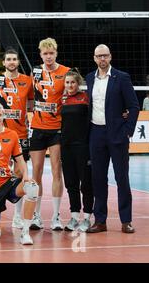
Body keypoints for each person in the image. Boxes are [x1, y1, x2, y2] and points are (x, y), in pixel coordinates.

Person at [86, 44, 140, 234]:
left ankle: (126, 221)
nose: (102, 59)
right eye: (99, 56)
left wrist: (128, 130)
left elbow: (133, 106)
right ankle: (100, 221)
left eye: (105, 56)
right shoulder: (89, 78)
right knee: (98, 179)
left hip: (117, 135)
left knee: (121, 178)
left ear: (110, 57)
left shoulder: (122, 77)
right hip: (96, 134)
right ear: (94, 58)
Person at [0, 103, 39, 245]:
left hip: (6, 182)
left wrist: (25, 176)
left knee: (33, 187)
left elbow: (20, 160)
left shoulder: (12, 135)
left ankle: (25, 233)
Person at [29, 37, 70, 231]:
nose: (48, 56)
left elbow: (73, 96)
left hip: (57, 128)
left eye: (51, 53)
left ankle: (55, 216)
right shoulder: (35, 72)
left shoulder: (65, 72)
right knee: (35, 172)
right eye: (45, 53)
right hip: (38, 127)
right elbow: (28, 98)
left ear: (56, 53)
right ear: (40, 54)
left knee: (56, 171)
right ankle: (36, 215)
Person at [0, 48, 34, 230]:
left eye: (14, 59)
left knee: (19, 176)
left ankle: (17, 216)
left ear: (17, 62)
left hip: (20, 135)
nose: (11, 62)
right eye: (8, 59)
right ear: (3, 62)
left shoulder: (27, 81)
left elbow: (31, 105)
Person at [60, 70, 94, 232]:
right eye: (67, 83)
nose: (69, 85)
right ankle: (74, 217)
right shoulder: (63, 99)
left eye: (72, 82)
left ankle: (87, 217)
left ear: (78, 83)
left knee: (86, 183)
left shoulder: (86, 98)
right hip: (66, 147)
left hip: (83, 147)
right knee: (71, 183)